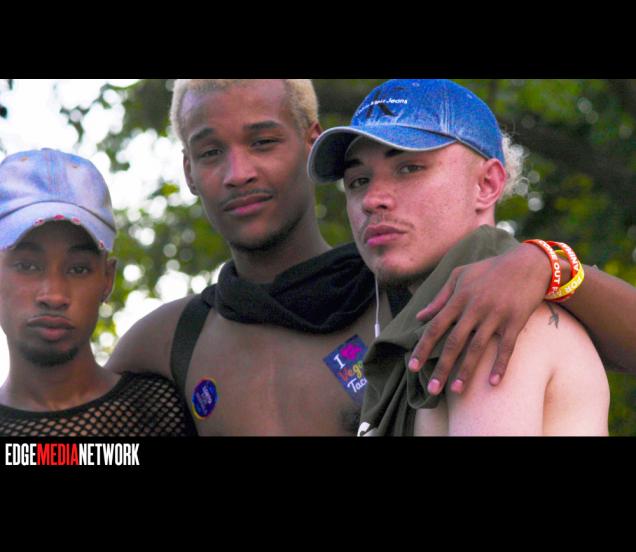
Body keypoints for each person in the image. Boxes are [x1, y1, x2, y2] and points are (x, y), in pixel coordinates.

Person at [108, 79, 634, 436]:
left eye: (409, 168)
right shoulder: (173, 337)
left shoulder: (469, 306)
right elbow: (71, 438)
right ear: (187, 170)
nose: (238, 172)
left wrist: (549, 265)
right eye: (358, 180)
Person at [308, 78, 610, 436]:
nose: (372, 200)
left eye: (409, 168)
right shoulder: (435, 325)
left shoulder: (494, 321)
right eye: (358, 181)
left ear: (486, 185)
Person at [0, 148, 196, 436]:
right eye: (27, 266)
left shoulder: (167, 412)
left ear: (107, 278)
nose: (54, 295)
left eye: (78, 269)